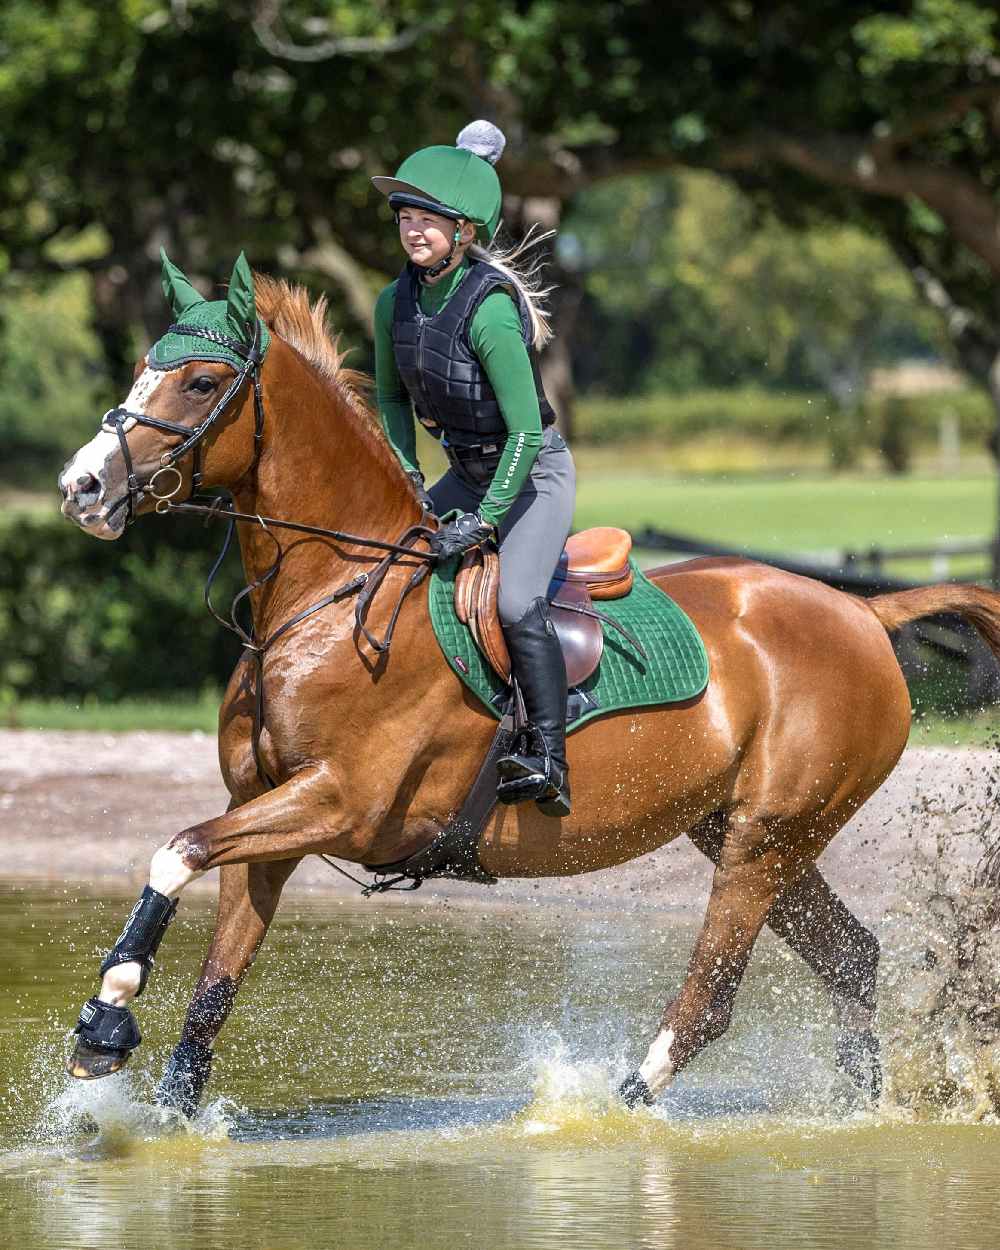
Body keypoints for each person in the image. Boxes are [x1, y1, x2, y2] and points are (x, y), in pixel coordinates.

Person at [371, 120, 575, 818]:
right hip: (462, 472)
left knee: (517, 600)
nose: (413, 230)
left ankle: (549, 757)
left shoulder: (488, 308)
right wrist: (406, 486)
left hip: (532, 474)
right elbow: (393, 406)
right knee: (390, 566)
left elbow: (524, 431)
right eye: (406, 216)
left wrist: (485, 521)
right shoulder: (391, 303)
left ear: (464, 231)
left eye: (430, 219)